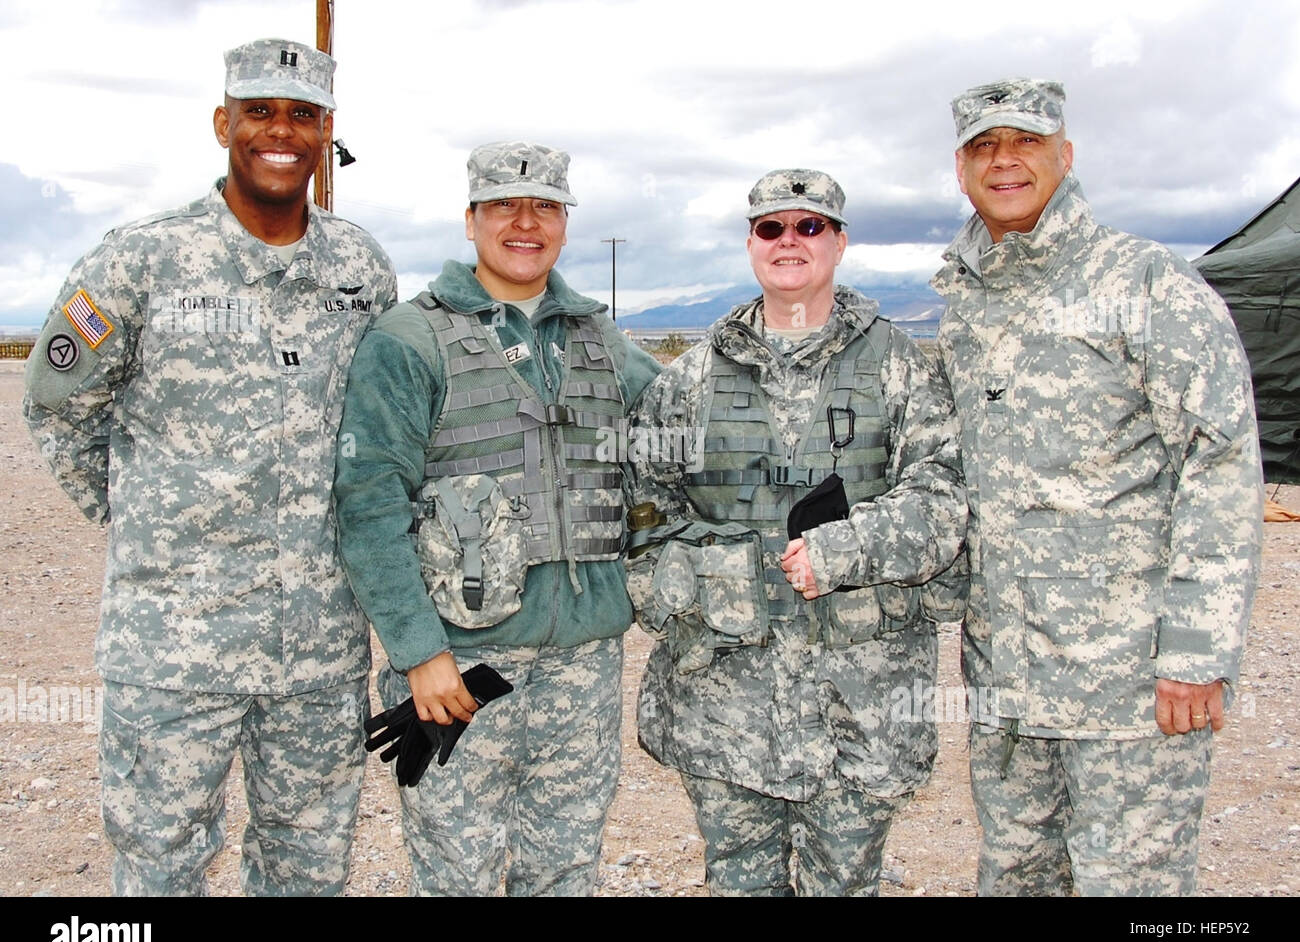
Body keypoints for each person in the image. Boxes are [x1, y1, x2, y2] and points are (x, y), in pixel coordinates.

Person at [23, 38, 398, 896]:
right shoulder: (140, 259)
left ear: (324, 132)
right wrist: (144, 517)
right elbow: (55, 399)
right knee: (159, 868)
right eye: (261, 110)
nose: (281, 131)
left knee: (308, 870)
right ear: (223, 122)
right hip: (171, 650)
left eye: (302, 114)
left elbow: (381, 426)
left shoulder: (359, 267)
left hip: (318, 651)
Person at [931, 78, 1263, 895]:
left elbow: (1218, 462)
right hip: (1007, 675)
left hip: (1131, 679)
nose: (1004, 161)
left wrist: (1197, 650)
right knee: (1017, 875)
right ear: (961, 168)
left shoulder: (1145, 281)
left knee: (1132, 887)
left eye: (1026, 142)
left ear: (1065, 155)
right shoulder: (964, 300)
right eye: (984, 146)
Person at [334, 140, 662, 896]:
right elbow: (370, 504)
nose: (525, 222)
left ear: (565, 223)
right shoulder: (409, 339)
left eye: (545, 206)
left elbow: (682, 417)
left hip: (583, 663)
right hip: (460, 668)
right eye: (504, 207)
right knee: (460, 876)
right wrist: (419, 652)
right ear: (471, 218)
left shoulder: (594, 336)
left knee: (566, 868)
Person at [626, 169, 965, 895]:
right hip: (726, 699)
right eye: (772, 228)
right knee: (738, 882)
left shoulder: (900, 368)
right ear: (751, 243)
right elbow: (639, 514)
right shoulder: (686, 383)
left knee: (844, 883)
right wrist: (707, 577)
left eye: (810, 226)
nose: (790, 241)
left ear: (839, 242)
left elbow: (943, 496)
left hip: (860, 696)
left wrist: (845, 549)